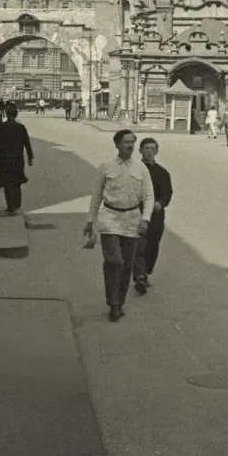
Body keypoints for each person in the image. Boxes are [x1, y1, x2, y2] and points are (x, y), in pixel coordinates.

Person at [84, 129, 154, 323]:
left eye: (132, 142)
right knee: (115, 261)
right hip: (110, 218)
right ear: (117, 145)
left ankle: (119, 303)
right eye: (126, 142)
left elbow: (149, 196)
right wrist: (90, 220)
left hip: (132, 219)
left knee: (127, 265)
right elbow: (96, 196)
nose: (130, 146)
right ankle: (113, 303)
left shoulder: (141, 169)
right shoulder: (106, 167)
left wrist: (145, 219)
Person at [132, 138, 173, 295]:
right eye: (146, 148)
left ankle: (146, 272)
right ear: (140, 151)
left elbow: (167, 193)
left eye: (152, 149)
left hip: (155, 216)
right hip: (138, 213)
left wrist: (160, 204)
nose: (149, 151)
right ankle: (140, 277)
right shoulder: (134, 170)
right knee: (139, 245)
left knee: (152, 246)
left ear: (156, 152)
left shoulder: (162, 173)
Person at [0, 103, 34, 215]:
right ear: (16, 115)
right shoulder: (20, 127)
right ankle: (17, 204)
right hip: (17, 159)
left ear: (6, 114)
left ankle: (10, 206)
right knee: (17, 181)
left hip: (4, 159)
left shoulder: (1, 127)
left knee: (7, 182)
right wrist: (30, 157)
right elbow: (27, 143)